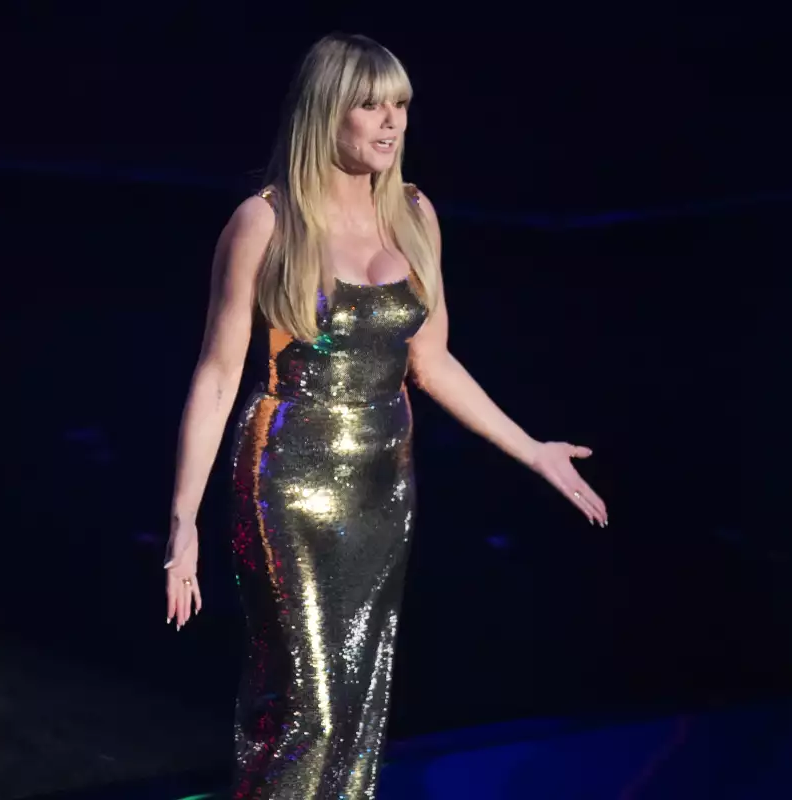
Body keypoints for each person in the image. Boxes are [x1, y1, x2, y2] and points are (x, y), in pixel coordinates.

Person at [163, 33, 609, 798]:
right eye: (370, 103)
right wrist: (183, 523)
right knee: (312, 707)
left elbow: (430, 361)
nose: (390, 121)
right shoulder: (264, 222)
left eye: (400, 104)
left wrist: (531, 449)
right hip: (289, 481)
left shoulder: (414, 212)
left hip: (384, 485)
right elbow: (216, 375)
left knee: (362, 699)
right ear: (325, 112)